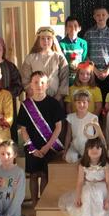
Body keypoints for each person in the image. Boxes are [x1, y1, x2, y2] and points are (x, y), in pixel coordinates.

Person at [17, 71, 65, 205]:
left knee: (45, 174)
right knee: (33, 175)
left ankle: (42, 205)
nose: (39, 85)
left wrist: (47, 147)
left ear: (47, 85)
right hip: (32, 146)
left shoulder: (54, 103)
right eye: (36, 82)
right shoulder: (26, 105)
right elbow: (23, 129)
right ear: (31, 85)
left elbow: (58, 127)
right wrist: (31, 147)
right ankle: (34, 205)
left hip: (48, 146)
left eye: (42, 82)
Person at [58, 135, 109, 216]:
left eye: (97, 148)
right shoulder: (82, 165)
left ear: (102, 150)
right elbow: (80, 182)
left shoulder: (106, 165)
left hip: (102, 187)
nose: (94, 150)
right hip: (88, 185)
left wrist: (108, 199)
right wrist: (78, 196)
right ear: (86, 150)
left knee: (97, 193)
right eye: (91, 148)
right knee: (86, 193)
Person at [20, 26, 69, 101]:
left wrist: (57, 97)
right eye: (42, 38)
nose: (45, 41)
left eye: (48, 38)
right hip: (35, 99)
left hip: (56, 99)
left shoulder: (59, 58)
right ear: (38, 40)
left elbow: (64, 79)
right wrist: (34, 95)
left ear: (53, 40)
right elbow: (25, 79)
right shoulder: (30, 58)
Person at [84, 6, 109, 98]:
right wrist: (95, 70)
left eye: (103, 15)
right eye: (98, 15)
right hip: (92, 73)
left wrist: (107, 71)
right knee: (93, 98)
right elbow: (85, 55)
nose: (101, 17)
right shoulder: (88, 33)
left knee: (108, 99)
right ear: (94, 17)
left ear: (108, 16)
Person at [63, 90, 99, 163]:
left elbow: (97, 135)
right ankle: (78, 157)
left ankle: (83, 158)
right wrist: (65, 150)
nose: (81, 105)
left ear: (88, 103)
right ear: (75, 103)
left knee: (89, 159)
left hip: (88, 146)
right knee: (69, 158)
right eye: (79, 102)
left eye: (84, 102)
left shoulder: (93, 117)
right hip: (75, 146)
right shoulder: (71, 117)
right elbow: (68, 134)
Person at [58, 16, 88, 86]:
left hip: (80, 79)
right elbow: (60, 62)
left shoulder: (83, 43)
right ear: (66, 28)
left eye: (75, 26)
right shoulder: (61, 44)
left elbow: (84, 60)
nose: (73, 28)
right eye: (70, 26)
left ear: (79, 28)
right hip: (66, 79)